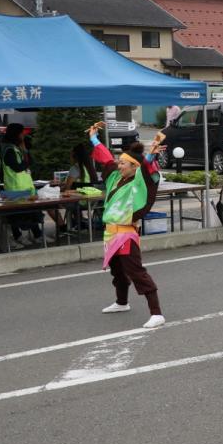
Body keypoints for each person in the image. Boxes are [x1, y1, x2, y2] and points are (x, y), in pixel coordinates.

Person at [88, 123, 166, 329]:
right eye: (120, 162)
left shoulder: (138, 181)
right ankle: (122, 302)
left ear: (134, 167)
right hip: (110, 233)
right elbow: (106, 159)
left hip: (126, 234)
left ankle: (157, 313)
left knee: (135, 271)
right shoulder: (115, 178)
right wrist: (94, 139)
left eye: (124, 163)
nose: (119, 165)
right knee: (118, 271)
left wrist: (150, 156)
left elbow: (148, 171)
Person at [1, 123, 43, 247]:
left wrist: (24, 150)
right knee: (16, 215)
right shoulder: (9, 150)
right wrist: (26, 160)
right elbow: (18, 167)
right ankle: (18, 236)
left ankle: (37, 234)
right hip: (15, 188)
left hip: (25, 187)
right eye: (21, 133)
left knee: (32, 211)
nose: (23, 135)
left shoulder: (16, 148)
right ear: (16, 134)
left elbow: (30, 162)